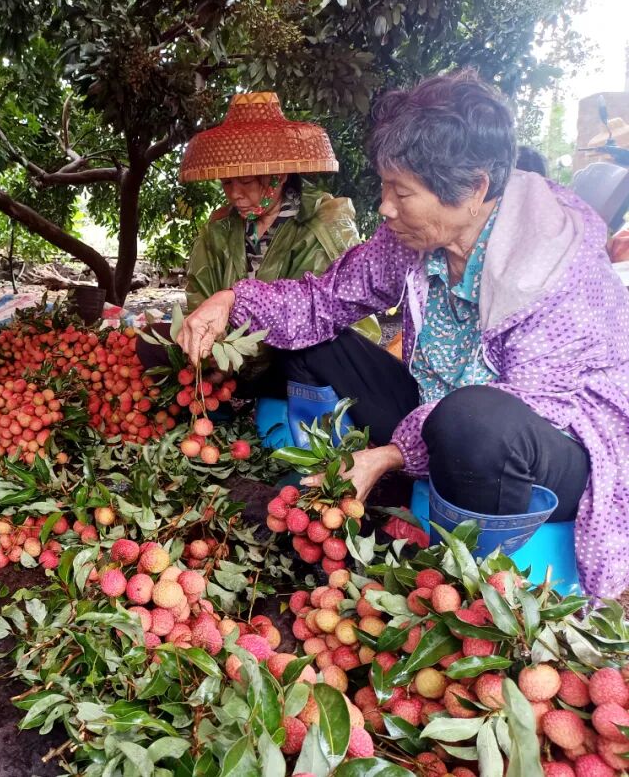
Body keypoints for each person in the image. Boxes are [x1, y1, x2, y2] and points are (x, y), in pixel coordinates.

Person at [177, 72, 629, 599]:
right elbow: (328, 298)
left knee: (472, 420)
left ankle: (458, 579)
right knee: (313, 340)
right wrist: (232, 298)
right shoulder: (414, 237)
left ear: (474, 188)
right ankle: (324, 493)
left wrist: (391, 454)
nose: (385, 207)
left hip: (547, 445)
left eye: (402, 191)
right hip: (433, 414)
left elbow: (532, 402)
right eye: (385, 187)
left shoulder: (557, 266)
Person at [138, 92, 376, 395]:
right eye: (227, 183)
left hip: (287, 359)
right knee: (153, 339)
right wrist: (210, 350)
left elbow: (331, 314)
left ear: (278, 175)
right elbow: (200, 294)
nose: (235, 194)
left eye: (247, 182)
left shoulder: (322, 224)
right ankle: (215, 404)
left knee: (313, 354)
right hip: (227, 361)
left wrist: (249, 349)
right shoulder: (221, 227)